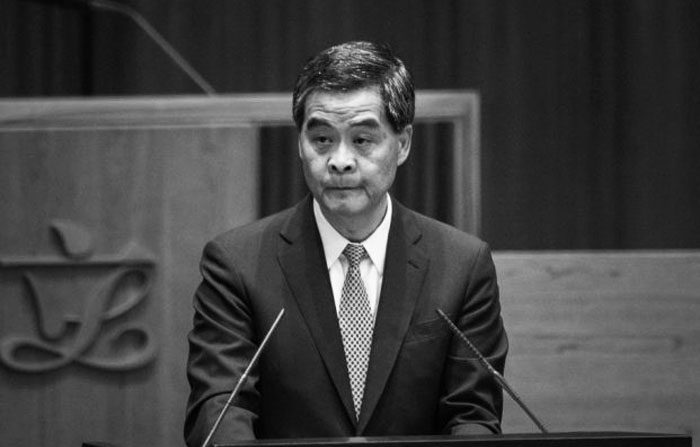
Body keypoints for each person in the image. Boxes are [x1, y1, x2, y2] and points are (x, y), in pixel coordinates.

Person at [185, 41, 508, 446]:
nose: (340, 160)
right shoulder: (236, 264)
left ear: (403, 143)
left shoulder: (462, 265)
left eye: (362, 140)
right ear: (299, 143)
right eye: (322, 139)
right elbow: (220, 408)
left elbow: (472, 415)